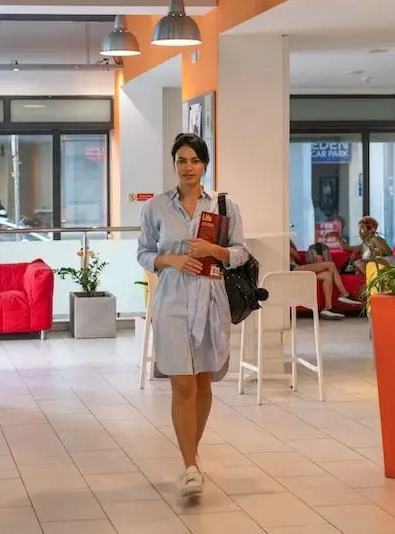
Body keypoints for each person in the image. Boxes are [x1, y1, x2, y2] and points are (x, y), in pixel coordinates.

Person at [137, 133, 249, 498]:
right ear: (174, 164)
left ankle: (192, 457)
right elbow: (143, 253)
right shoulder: (156, 207)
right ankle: (189, 466)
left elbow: (240, 253)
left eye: (195, 161)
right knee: (181, 384)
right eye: (181, 160)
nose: (188, 167)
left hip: (210, 300)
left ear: (205, 165)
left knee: (202, 384)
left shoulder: (223, 205)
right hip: (171, 301)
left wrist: (213, 249)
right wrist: (168, 259)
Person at [289, 241, 362, 320]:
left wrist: (289, 245)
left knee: (327, 275)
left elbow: (298, 259)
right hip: (292, 269)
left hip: (297, 268)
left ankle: (328, 308)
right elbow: (296, 257)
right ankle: (344, 294)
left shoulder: (286, 245)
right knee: (330, 265)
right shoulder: (281, 247)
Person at [329, 216, 393, 275]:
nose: (359, 232)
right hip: (371, 266)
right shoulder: (364, 244)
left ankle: (369, 280)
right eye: (359, 230)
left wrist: (372, 252)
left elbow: (388, 251)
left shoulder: (375, 239)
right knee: (355, 265)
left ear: (371, 229)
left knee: (358, 262)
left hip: (382, 265)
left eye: (362, 229)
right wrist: (338, 237)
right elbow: (346, 248)